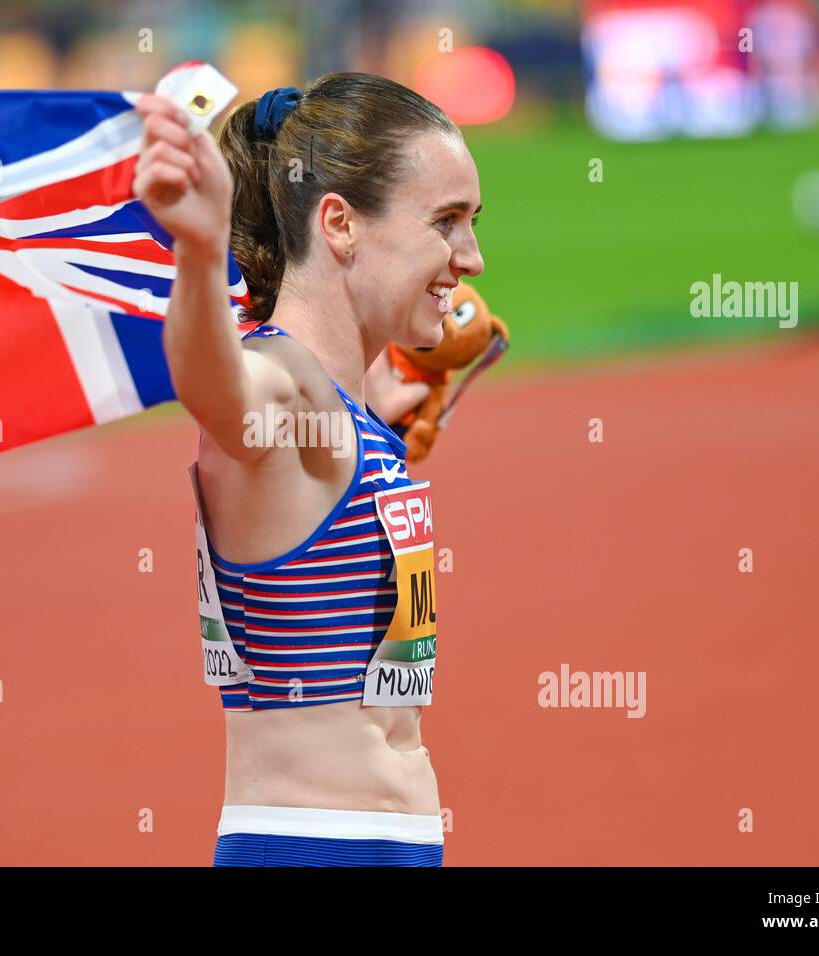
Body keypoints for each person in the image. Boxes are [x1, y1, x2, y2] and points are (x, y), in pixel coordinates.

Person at [133, 71, 484, 866]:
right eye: (447, 222)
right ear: (341, 225)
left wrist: (396, 406)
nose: (473, 257)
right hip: (315, 848)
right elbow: (215, 388)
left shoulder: (340, 412)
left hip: (376, 847)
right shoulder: (280, 393)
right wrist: (197, 247)